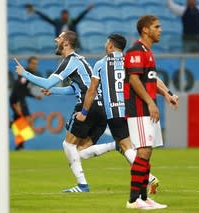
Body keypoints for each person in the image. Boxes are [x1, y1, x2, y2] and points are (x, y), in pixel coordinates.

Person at [74, 33, 175, 195]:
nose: (105, 46)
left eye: (107, 43)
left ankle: (149, 178)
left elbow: (92, 91)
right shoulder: (130, 60)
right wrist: (168, 93)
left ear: (111, 46)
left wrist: (84, 112)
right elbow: (152, 79)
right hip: (132, 110)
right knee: (130, 149)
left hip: (114, 112)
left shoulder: (100, 64)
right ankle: (143, 180)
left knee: (126, 148)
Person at [15, 30, 107, 192]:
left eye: (59, 38)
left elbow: (47, 83)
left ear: (66, 43)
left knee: (68, 145)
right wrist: (54, 92)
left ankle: (83, 185)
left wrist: (25, 73)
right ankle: (117, 146)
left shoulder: (69, 61)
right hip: (99, 107)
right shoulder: (80, 61)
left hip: (87, 105)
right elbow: (75, 89)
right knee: (80, 151)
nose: (55, 39)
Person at [124, 15, 178, 209]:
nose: (160, 30)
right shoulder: (135, 51)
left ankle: (144, 197)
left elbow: (151, 80)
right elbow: (134, 80)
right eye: (157, 26)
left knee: (147, 153)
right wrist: (150, 102)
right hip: (139, 110)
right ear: (146, 30)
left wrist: (166, 94)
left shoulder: (147, 52)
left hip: (147, 109)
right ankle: (133, 200)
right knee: (143, 151)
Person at [10, 56, 42, 150]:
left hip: (19, 99)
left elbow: (24, 90)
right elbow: (18, 87)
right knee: (27, 121)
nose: (35, 66)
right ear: (29, 64)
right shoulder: (25, 73)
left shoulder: (29, 73)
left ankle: (20, 146)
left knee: (21, 123)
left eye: (36, 64)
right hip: (17, 100)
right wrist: (18, 104)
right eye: (33, 63)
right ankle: (3, 124)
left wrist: (34, 96)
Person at [25, 3, 94, 38]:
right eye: (63, 15)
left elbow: (80, 16)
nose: (65, 16)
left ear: (68, 15)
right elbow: (46, 18)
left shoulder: (72, 22)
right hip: (60, 42)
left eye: (66, 14)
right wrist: (35, 11)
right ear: (61, 15)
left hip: (71, 43)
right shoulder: (57, 22)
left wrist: (87, 10)